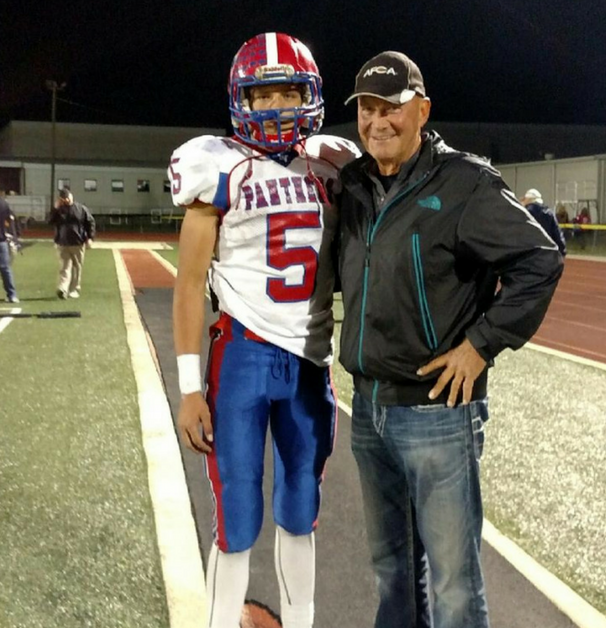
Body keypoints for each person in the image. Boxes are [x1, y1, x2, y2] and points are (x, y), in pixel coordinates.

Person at [335, 51, 564, 628]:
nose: (377, 120)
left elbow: (540, 259)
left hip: (437, 413)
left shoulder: (464, 183)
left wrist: (481, 344)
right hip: (367, 407)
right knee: (390, 570)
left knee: (454, 585)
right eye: (367, 107)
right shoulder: (355, 183)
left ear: (422, 110)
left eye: (391, 107)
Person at [168, 32, 360, 628]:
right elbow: (188, 280)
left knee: (301, 506)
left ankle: (300, 623)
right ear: (239, 101)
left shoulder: (332, 163)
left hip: (309, 359)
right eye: (263, 95)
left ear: (311, 95)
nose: (276, 107)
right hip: (244, 356)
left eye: (288, 93)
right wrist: (189, 386)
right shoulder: (219, 165)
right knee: (238, 514)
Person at [49, 187, 96, 299]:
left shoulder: (81, 209)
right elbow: (50, 221)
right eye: (63, 199)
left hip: (77, 242)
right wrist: (55, 209)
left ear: (71, 197)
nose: (66, 201)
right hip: (63, 243)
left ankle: (74, 289)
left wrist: (90, 237)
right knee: (64, 267)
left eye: (67, 198)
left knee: (76, 267)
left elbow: (90, 222)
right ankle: (63, 288)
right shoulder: (59, 210)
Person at [521, 188, 567, 255]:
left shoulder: (523, 213)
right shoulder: (549, 213)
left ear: (527, 200)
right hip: (547, 254)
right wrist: (562, 251)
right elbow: (557, 235)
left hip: (528, 254)